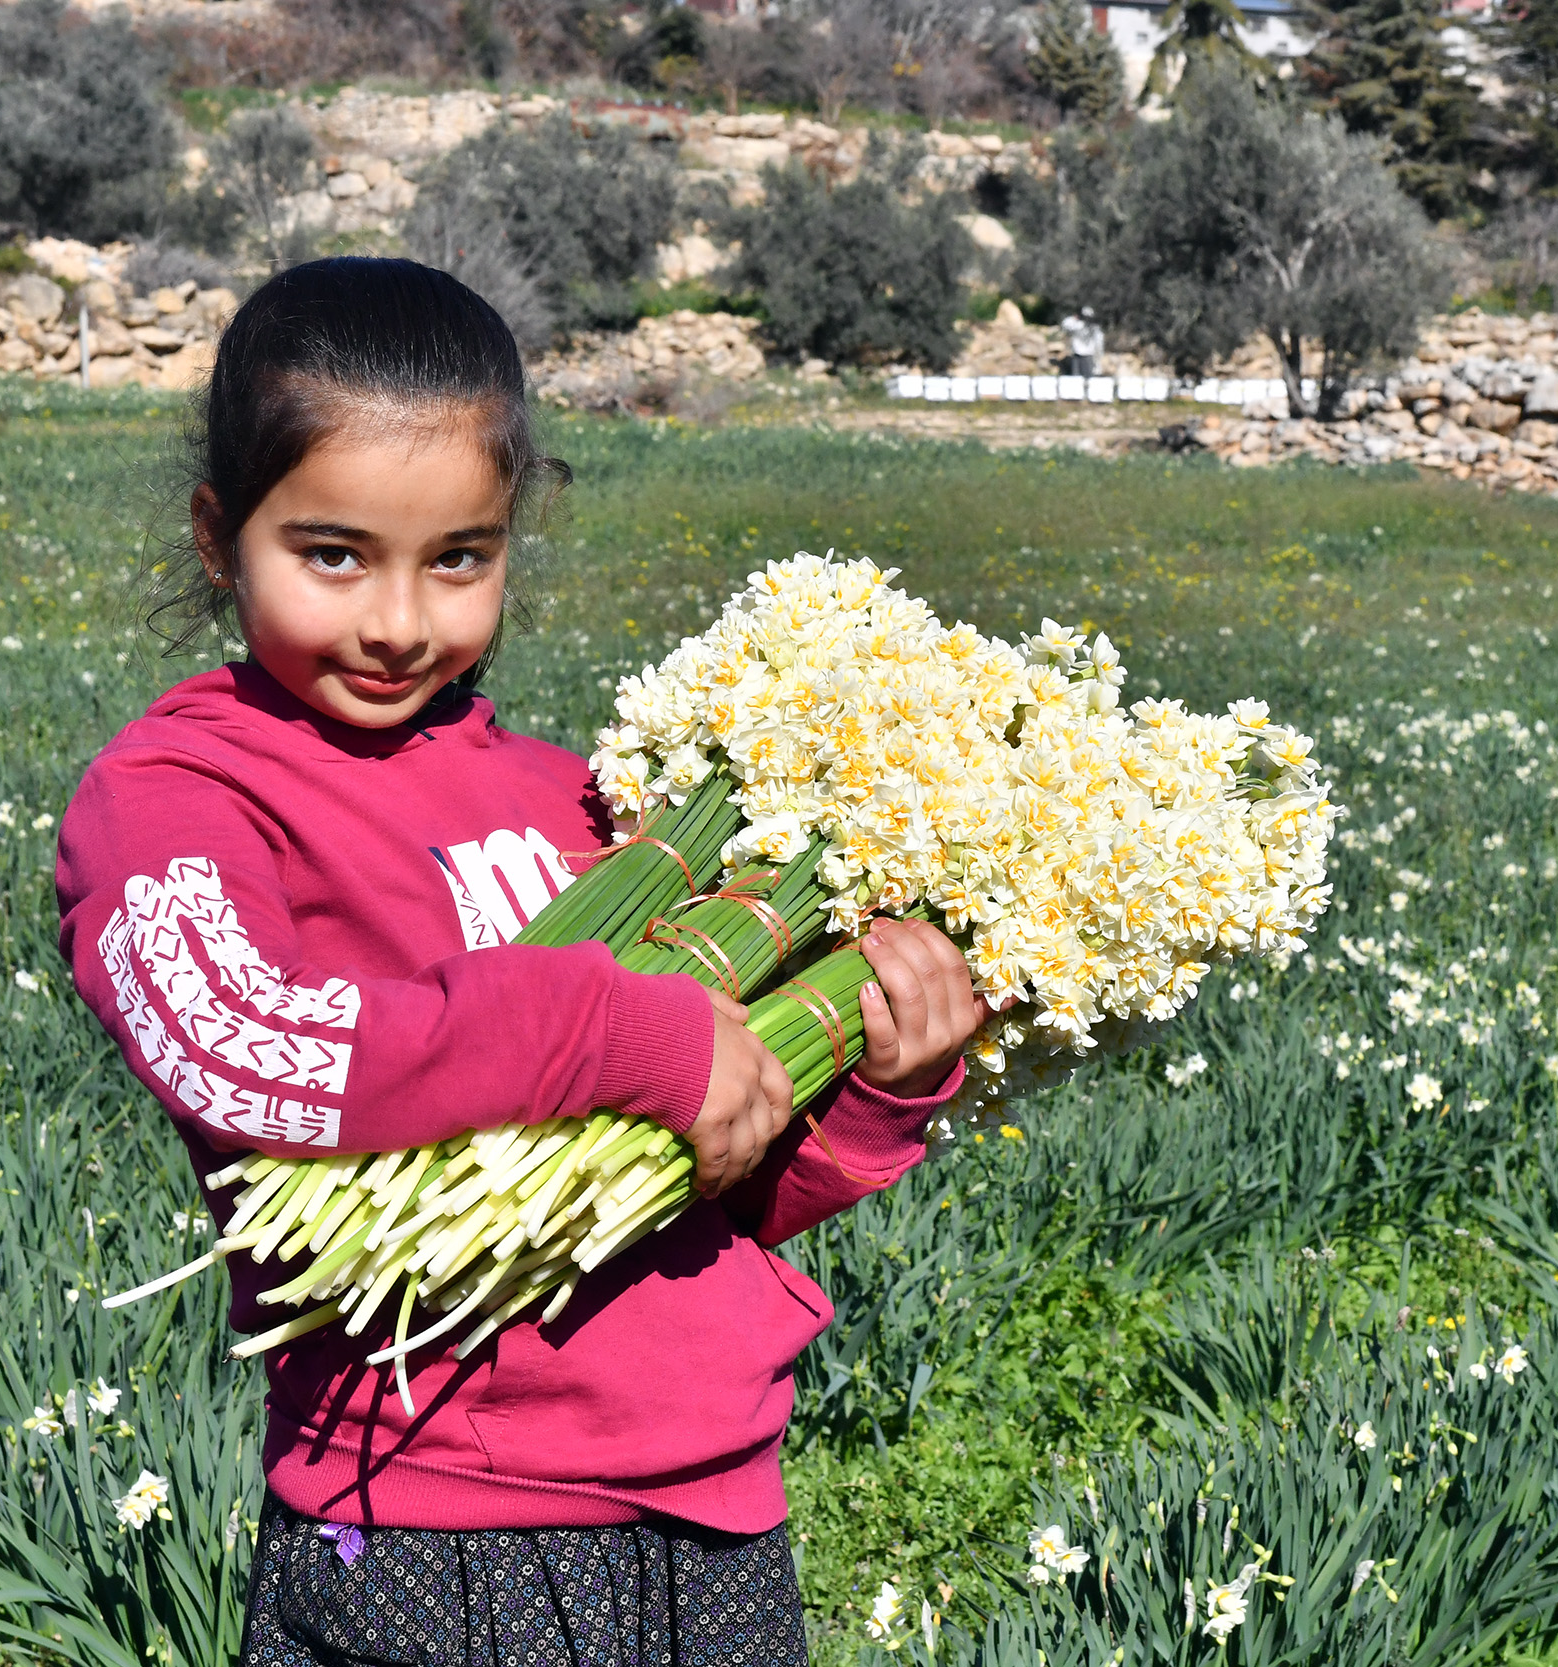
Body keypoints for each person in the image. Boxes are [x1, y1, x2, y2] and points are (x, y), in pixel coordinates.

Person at [56, 257, 984, 1667]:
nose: (399, 620)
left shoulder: (590, 811)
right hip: (433, 1513)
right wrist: (611, 1026)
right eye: (332, 553)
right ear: (214, 534)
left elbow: (701, 1175)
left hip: (719, 1506)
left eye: (460, 558)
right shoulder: (182, 791)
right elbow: (238, 1038)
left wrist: (873, 1095)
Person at [1060, 306, 1103, 378]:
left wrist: (1074, 318)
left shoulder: (1092, 328)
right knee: (1082, 379)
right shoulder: (1078, 325)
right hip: (1079, 355)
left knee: (1083, 379)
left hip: (1086, 356)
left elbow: (1065, 323)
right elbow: (1099, 344)